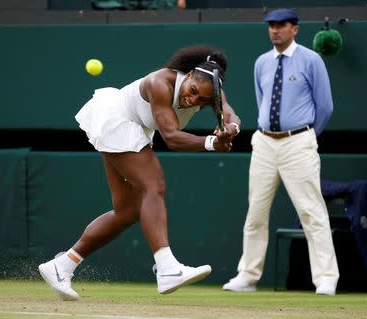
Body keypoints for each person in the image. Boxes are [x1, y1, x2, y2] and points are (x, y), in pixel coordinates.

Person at [38, 44, 241, 301]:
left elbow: (229, 112)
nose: (194, 100)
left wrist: (232, 128)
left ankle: (62, 266)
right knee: (153, 185)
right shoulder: (159, 82)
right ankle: (167, 268)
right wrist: (212, 143)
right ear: (188, 75)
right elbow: (171, 138)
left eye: (203, 100)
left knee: (127, 212)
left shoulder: (209, 90)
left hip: (133, 128)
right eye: (193, 92)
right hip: (117, 120)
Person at [222, 8, 339, 295]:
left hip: (298, 142)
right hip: (263, 143)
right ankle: (247, 276)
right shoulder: (261, 62)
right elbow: (262, 101)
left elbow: (325, 106)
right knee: (256, 213)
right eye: (271, 26)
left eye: (281, 25)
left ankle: (325, 278)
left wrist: (306, 136)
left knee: (312, 211)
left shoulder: (311, 60)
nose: (275, 30)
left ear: (295, 29)